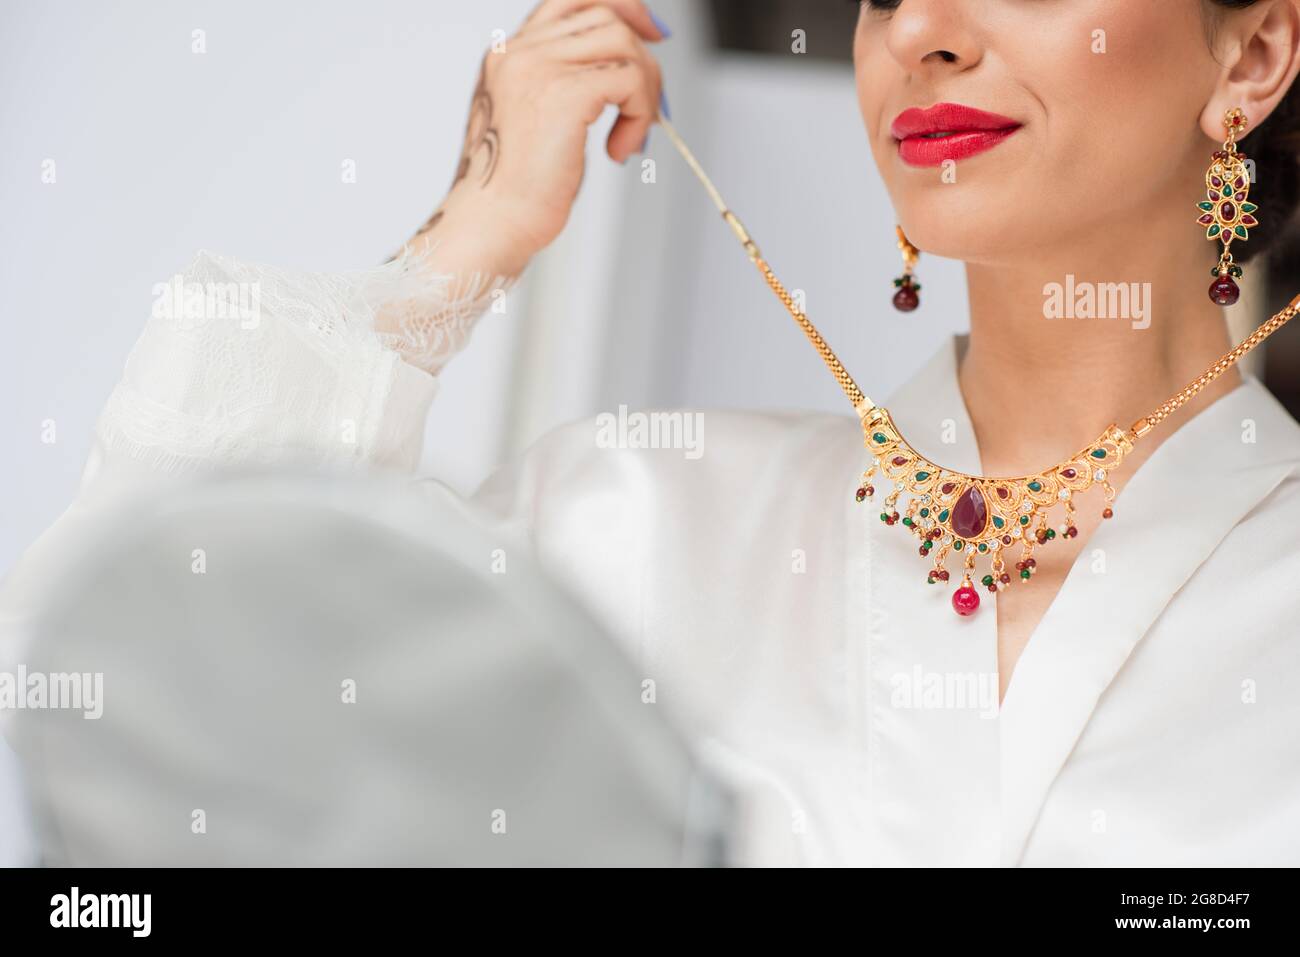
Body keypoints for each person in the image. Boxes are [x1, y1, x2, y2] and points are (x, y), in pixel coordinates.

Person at [4, 0, 1300, 865]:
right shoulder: (632, 514)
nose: (921, 30)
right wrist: (460, 247)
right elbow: (139, 709)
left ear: (1250, 57)